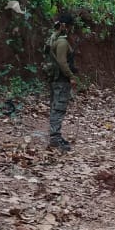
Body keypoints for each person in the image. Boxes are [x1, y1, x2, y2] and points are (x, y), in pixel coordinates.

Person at [47, 12, 76, 151]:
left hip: (55, 78)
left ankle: (55, 136)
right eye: (70, 26)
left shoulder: (53, 39)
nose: (70, 29)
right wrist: (71, 76)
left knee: (55, 107)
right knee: (59, 108)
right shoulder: (62, 42)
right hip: (61, 80)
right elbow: (62, 62)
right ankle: (55, 138)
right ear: (65, 26)